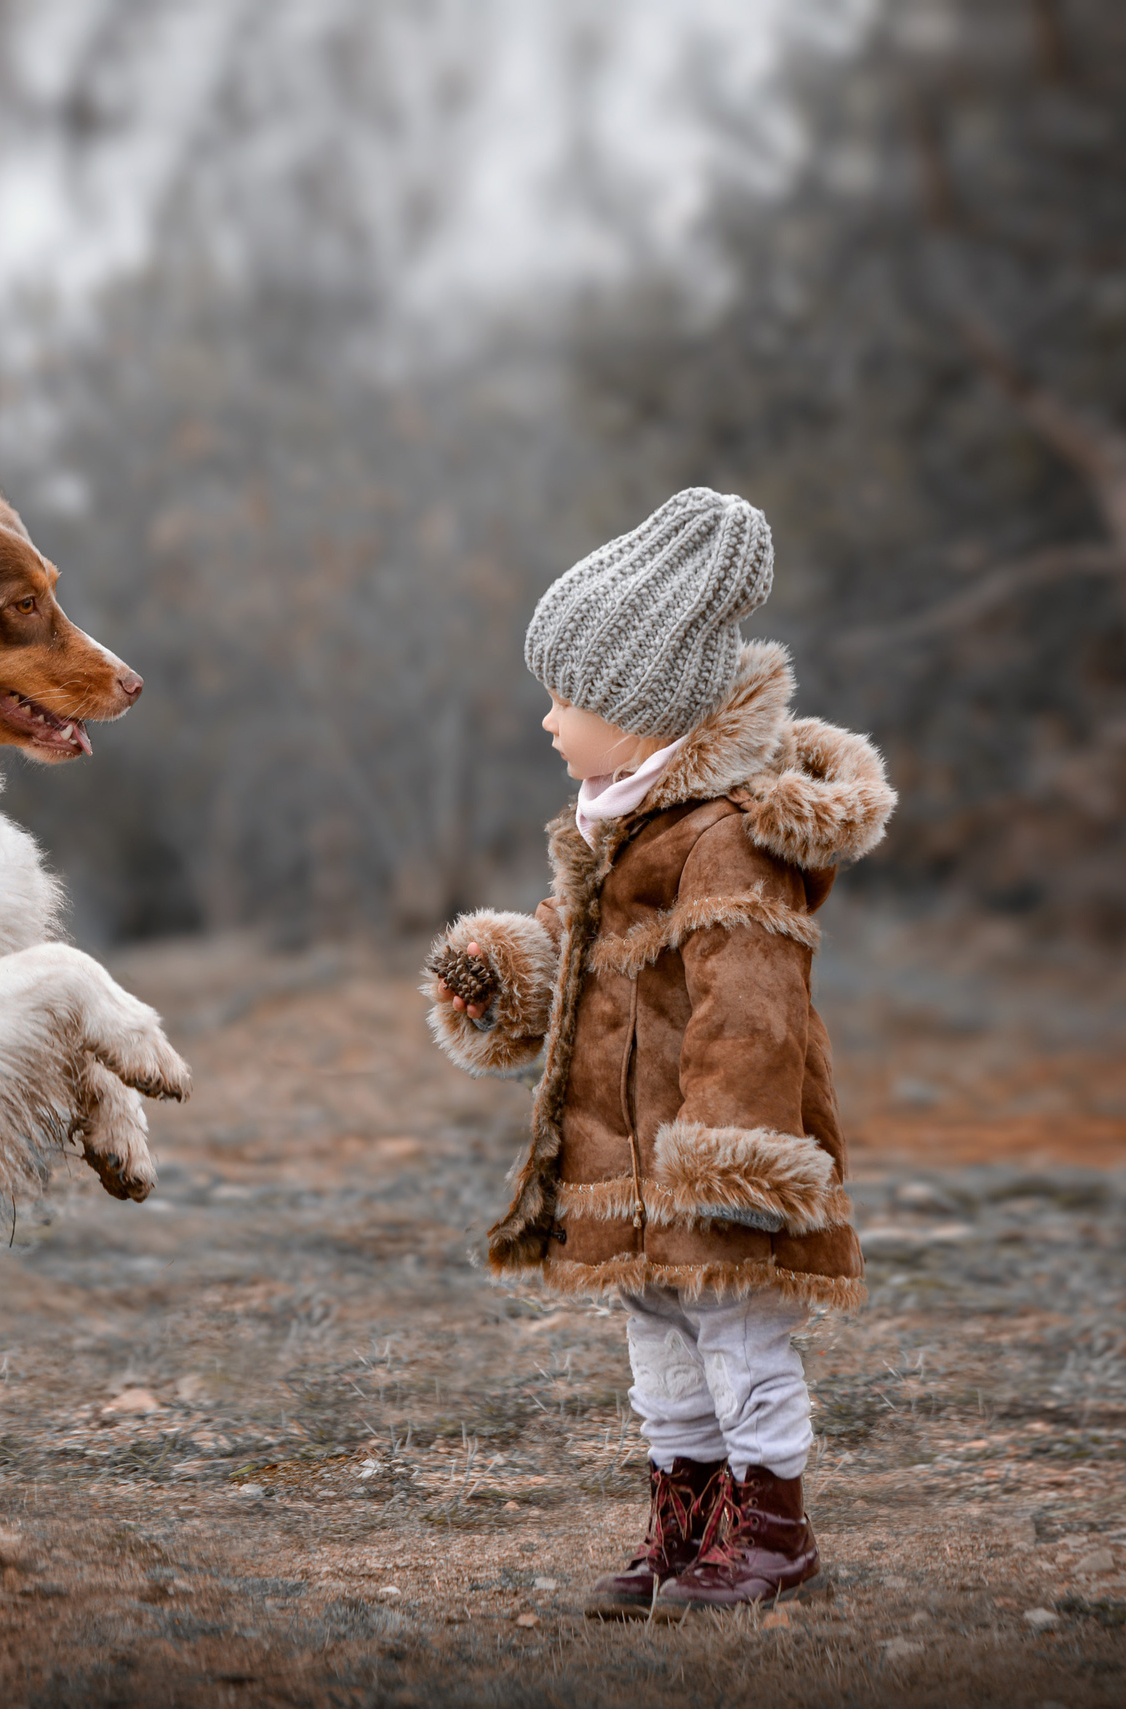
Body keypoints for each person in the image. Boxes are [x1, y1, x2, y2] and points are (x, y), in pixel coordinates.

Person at [421, 488, 894, 1619]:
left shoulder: (723, 839)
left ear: (645, 712)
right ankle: (683, 1529)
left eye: (565, 697)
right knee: (664, 1356)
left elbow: (750, 1007)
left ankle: (774, 1534)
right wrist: (509, 972)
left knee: (737, 1342)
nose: (547, 721)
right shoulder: (617, 820)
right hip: (624, 1158)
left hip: (700, 1157)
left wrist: (729, 1153)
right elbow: (597, 970)